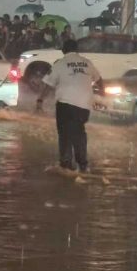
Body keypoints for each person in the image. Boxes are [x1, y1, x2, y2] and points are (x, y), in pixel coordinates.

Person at [37, 39, 103, 173]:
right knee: (79, 132)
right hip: (84, 106)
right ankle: (83, 164)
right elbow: (99, 81)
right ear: (77, 49)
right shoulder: (87, 62)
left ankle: (66, 165)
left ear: (63, 50)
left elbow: (48, 85)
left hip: (65, 105)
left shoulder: (60, 64)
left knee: (65, 134)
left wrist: (40, 100)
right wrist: (102, 98)